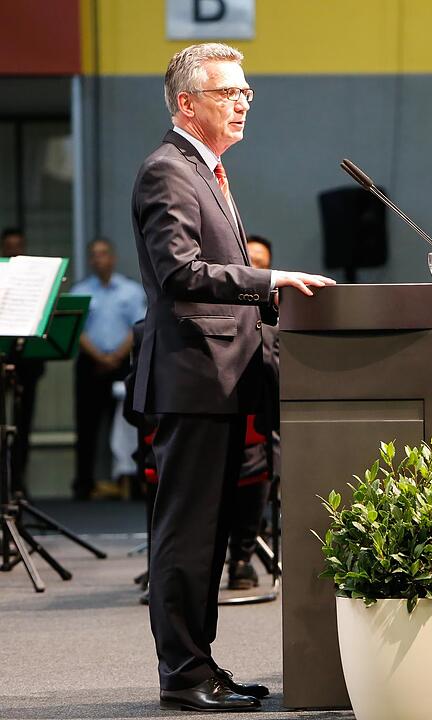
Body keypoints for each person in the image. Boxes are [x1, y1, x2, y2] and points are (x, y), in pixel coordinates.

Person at [133, 43, 334, 711]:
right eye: (229, 92)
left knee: (212, 535)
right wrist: (269, 280)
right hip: (194, 379)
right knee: (187, 536)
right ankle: (184, 675)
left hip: (221, 376)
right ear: (189, 104)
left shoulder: (206, 169)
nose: (244, 101)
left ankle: (202, 668)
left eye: (247, 91)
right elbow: (178, 273)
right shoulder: (168, 170)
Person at [70, 238, 147, 500]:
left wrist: (115, 357)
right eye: (94, 255)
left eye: (103, 253)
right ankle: (83, 484)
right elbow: (76, 330)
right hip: (90, 366)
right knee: (86, 426)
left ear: (112, 258)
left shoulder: (131, 291)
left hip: (122, 365)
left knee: (131, 422)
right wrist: (99, 357)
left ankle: (136, 483)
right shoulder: (80, 291)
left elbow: (138, 327)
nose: (98, 259)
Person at [226, 235, 281, 591]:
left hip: (260, 417)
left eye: (263, 263)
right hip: (222, 403)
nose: (256, 268)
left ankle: (242, 556)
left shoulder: (276, 313)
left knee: (261, 459)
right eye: (251, 261)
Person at [2, 227, 43, 495]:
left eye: (19, 246)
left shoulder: (33, 282)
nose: (15, 252)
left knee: (23, 425)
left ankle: (17, 484)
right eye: (10, 247)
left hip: (26, 360)